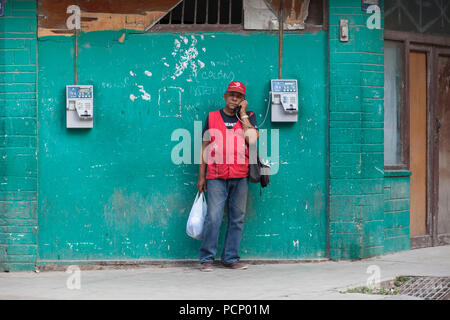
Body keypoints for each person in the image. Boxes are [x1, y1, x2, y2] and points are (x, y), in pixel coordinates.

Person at [197, 81, 259, 272]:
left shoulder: (248, 117)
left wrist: (243, 114)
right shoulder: (212, 117)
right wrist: (201, 177)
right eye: (232, 94)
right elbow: (204, 148)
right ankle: (207, 259)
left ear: (243, 100)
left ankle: (230, 258)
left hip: (240, 175)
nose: (235, 98)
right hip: (215, 175)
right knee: (213, 217)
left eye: (239, 96)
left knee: (237, 218)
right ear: (225, 96)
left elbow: (252, 139)